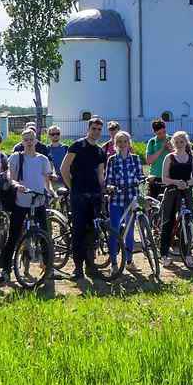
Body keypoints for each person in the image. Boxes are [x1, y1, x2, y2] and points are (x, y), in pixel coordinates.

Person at [3, 128, 54, 282]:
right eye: (26, 140)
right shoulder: (16, 157)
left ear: (36, 140)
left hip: (38, 201)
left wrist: (50, 191)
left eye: (31, 139)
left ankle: (48, 267)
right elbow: (9, 176)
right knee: (13, 236)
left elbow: (47, 179)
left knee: (45, 235)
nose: (29, 142)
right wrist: (16, 185)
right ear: (22, 142)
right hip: (21, 202)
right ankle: (5, 269)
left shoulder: (43, 159)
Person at [60, 117, 108, 280]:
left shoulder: (100, 151)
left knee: (93, 232)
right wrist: (72, 188)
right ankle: (78, 268)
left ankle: (90, 266)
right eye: (93, 128)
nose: (96, 132)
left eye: (99, 129)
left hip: (94, 196)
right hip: (79, 195)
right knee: (78, 232)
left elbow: (100, 175)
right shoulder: (77, 145)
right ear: (88, 129)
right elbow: (64, 169)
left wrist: (103, 190)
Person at [157, 130, 193, 265]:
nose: (179, 144)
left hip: (186, 192)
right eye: (177, 142)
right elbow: (164, 178)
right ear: (173, 143)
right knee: (167, 222)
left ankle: (187, 254)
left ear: (186, 142)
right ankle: (164, 254)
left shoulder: (192, 158)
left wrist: (187, 183)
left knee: (188, 222)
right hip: (171, 192)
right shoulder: (169, 157)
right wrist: (176, 182)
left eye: (182, 141)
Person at [106, 131, 144, 266]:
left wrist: (140, 180)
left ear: (129, 143)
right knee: (114, 230)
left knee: (129, 231)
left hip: (131, 198)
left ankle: (129, 260)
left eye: (125, 141)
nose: (122, 144)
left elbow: (140, 175)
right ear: (115, 144)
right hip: (116, 199)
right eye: (119, 141)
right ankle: (114, 263)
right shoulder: (112, 160)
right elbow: (108, 179)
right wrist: (110, 187)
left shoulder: (135, 159)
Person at [144, 119, 171, 199]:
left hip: (169, 177)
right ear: (154, 132)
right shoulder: (152, 142)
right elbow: (149, 161)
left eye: (164, 132)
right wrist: (162, 148)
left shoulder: (172, 140)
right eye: (159, 133)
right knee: (154, 202)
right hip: (155, 178)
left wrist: (170, 148)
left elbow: (177, 157)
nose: (162, 135)